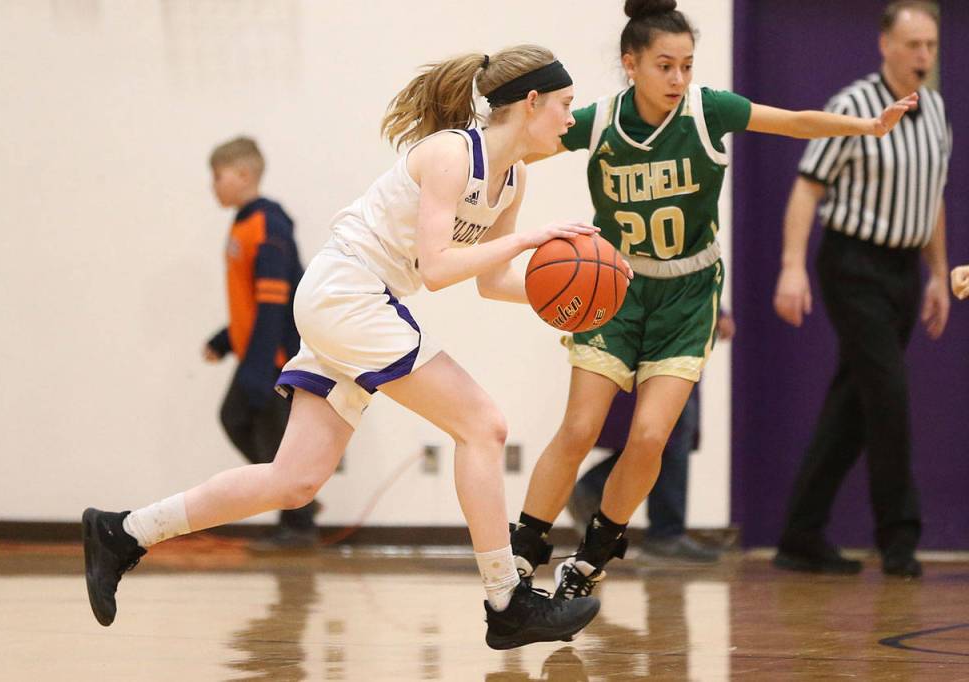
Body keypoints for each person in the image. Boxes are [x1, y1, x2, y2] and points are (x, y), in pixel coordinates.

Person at [82, 44, 602, 650]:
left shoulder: (512, 180)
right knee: (482, 425)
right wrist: (534, 240)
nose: (571, 118)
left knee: (295, 480)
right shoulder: (451, 153)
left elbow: (491, 281)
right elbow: (436, 268)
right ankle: (505, 599)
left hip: (361, 302)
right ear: (531, 100)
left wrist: (565, 306)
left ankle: (123, 532)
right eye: (565, 105)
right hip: (348, 290)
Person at [508, 0, 916, 601]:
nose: (677, 79)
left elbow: (796, 121)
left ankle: (592, 560)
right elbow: (520, 149)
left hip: (688, 294)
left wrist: (865, 127)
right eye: (664, 66)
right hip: (616, 289)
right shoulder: (599, 122)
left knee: (650, 438)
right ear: (632, 65)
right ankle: (520, 559)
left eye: (686, 66)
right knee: (578, 428)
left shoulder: (709, 110)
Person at [771, 0, 950, 579]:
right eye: (914, 44)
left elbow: (933, 198)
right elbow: (807, 189)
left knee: (855, 402)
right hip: (853, 265)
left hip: (903, 270)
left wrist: (938, 274)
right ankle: (899, 539)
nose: (924, 55)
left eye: (931, 44)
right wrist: (792, 266)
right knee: (889, 394)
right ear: (886, 46)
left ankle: (801, 534)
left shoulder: (938, 110)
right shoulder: (850, 105)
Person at [203, 137, 321, 549]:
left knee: (263, 433)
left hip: (274, 355)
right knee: (239, 422)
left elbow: (275, 300)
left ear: (243, 174)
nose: (213, 186)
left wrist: (258, 369)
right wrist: (223, 339)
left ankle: (299, 522)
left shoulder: (268, 223)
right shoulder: (242, 221)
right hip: (257, 349)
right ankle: (299, 503)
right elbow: (250, 296)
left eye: (217, 177)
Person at [568, 310, 735, 564]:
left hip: (673, 322)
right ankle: (663, 532)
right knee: (666, 432)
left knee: (667, 435)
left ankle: (662, 530)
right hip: (666, 326)